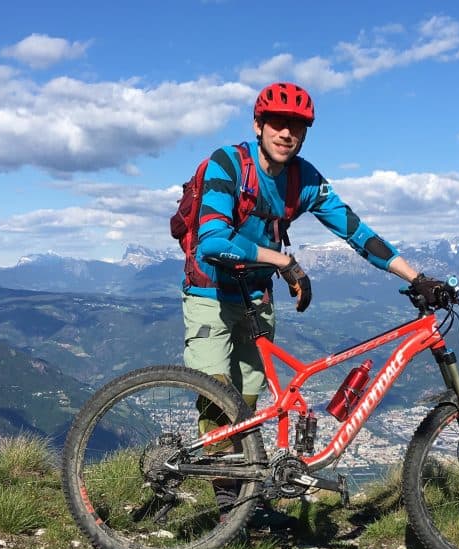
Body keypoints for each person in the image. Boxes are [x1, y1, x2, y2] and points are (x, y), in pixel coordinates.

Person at [181, 81, 444, 450]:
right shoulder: (229, 164)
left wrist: (417, 278)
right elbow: (212, 242)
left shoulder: (304, 179)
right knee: (219, 403)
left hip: (255, 297)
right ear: (258, 125)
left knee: (250, 407)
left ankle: (240, 501)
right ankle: (225, 502)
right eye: (277, 122)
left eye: (297, 126)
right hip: (210, 293)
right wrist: (284, 261)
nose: (286, 133)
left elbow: (356, 232)